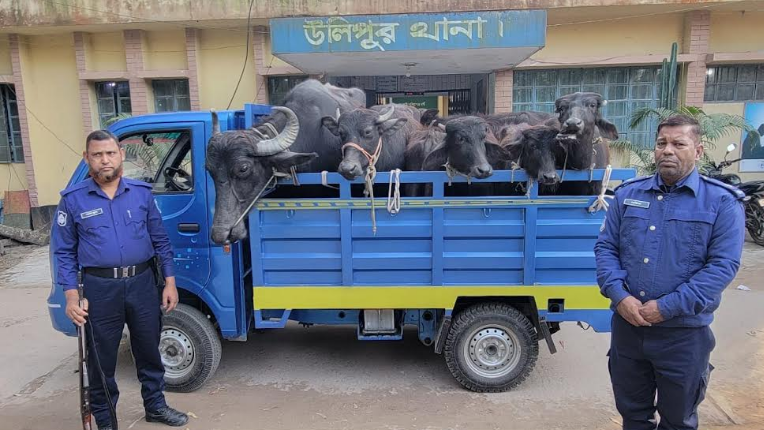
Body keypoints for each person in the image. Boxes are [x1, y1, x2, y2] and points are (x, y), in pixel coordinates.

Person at [594, 114, 745, 430]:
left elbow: (722, 266)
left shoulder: (721, 203)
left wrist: (667, 308)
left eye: (679, 143)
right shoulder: (627, 195)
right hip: (629, 331)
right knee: (633, 417)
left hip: (684, 335)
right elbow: (606, 249)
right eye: (662, 143)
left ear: (698, 151)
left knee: (678, 420)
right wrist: (620, 296)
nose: (667, 150)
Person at [52, 130, 189, 429]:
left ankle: (155, 406)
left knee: (149, 351)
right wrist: (71, 297)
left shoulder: (141, 193)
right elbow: (64, 253)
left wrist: (169, 282)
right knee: (101, 361)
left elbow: (161, 241)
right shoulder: (72, 201)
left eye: (110, 153)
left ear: (120, 155)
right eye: (97, 154)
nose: (105, 160)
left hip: (142, 283)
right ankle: (106, 419)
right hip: (99, 289)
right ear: (87, 158)